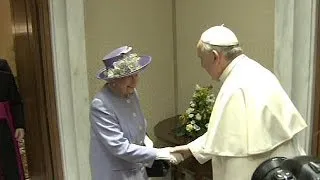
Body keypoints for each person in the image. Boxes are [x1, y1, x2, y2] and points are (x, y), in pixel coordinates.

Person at [170, 25, 307, 180]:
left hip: (252, 170)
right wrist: (189, 149)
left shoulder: (235, 87)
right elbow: (224, 134)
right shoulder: (257, 70)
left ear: (215, 56)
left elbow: (233, 151)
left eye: (202, 59)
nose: (202, 66)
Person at [89, 46, 182, 180]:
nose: (135, 81)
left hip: (137, 170)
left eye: (136, 74)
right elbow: (119, 147)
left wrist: (149, 144)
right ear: (112, 80)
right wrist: (159, 153)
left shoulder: (131, 92)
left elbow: (139, 128)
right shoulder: (101, 105)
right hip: (115, 174)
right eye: (128, 76)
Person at [0, 59, 25, 180]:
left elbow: (16, 101)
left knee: (9, 164)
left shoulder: (3, 71)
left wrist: (19, 125)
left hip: (4, 126)